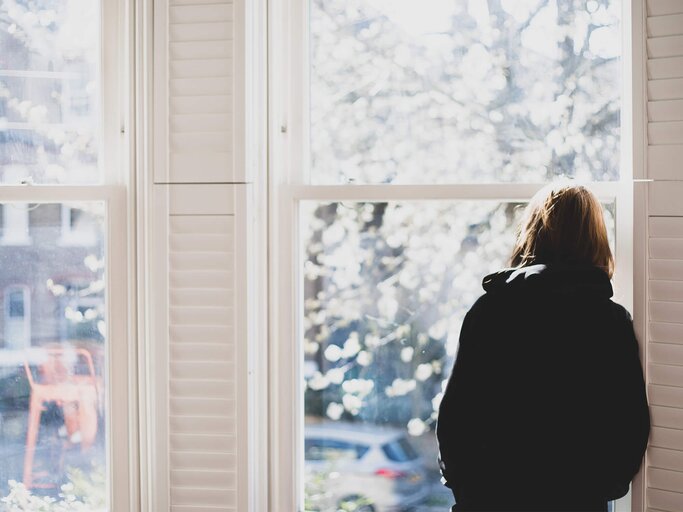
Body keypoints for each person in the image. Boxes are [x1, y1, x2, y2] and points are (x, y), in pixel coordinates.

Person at [436, 183, 650, 512]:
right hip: (575, 499)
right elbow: (629, 423)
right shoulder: (610, 321)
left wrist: (468, 491)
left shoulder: (489, 311)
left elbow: (456, 418)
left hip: (489, 497)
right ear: (595, 239)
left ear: (532, 233)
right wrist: (597, 488)